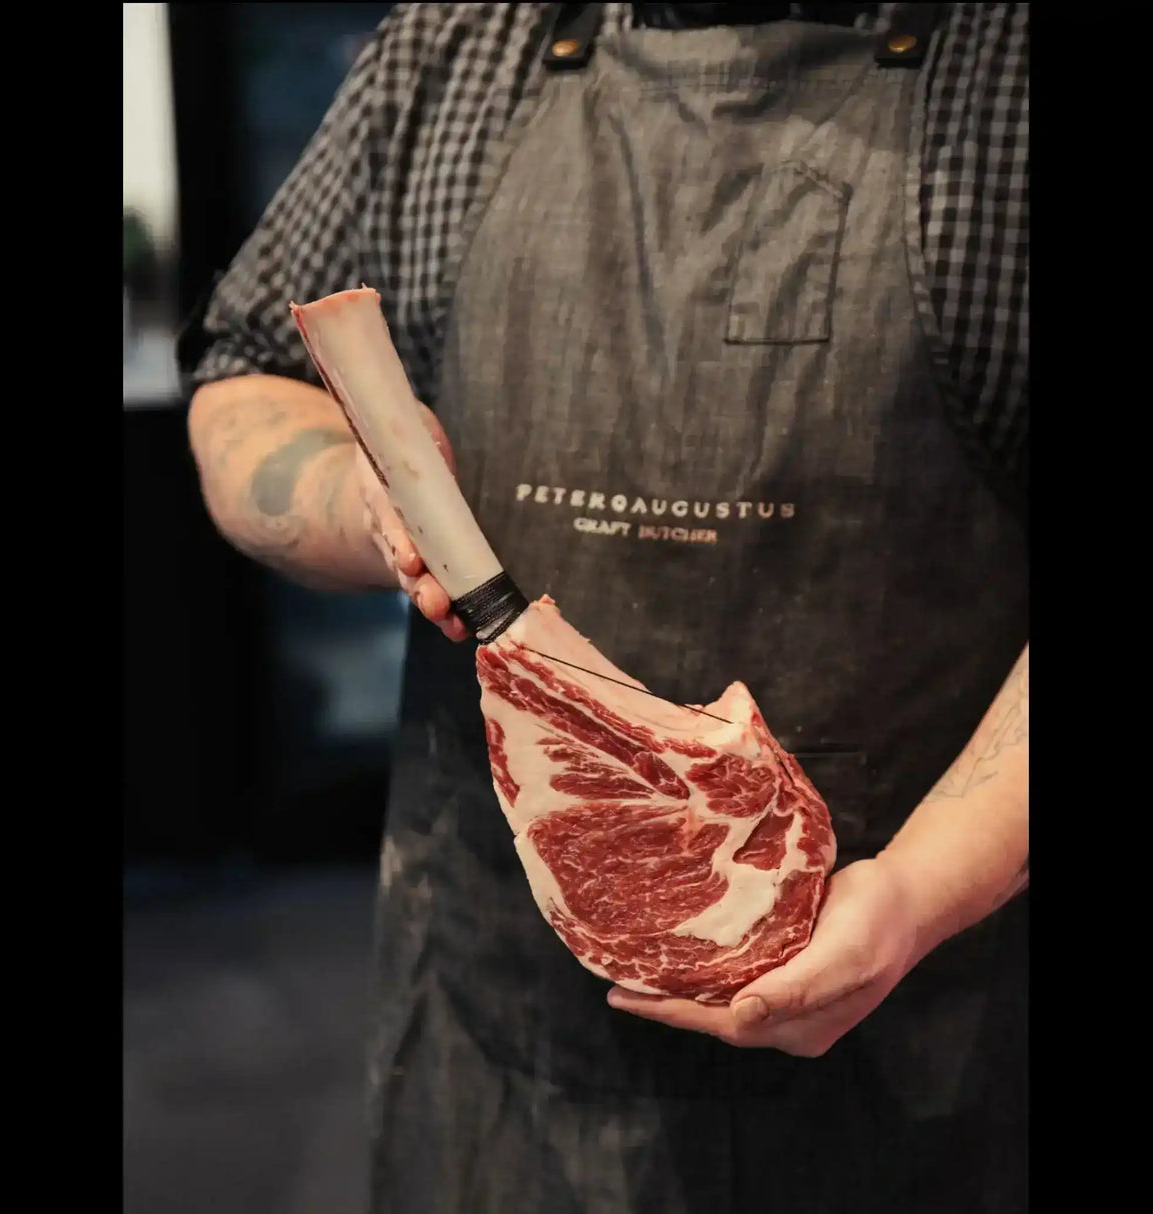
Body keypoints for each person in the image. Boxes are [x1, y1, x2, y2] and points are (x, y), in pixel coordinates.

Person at [184, 4, 1028, 1211]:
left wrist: (919, 893)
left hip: (914, 1037)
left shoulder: (1002, 70)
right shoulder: (456, 46)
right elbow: (248, 379)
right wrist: (352, 493)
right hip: (494, 1041)